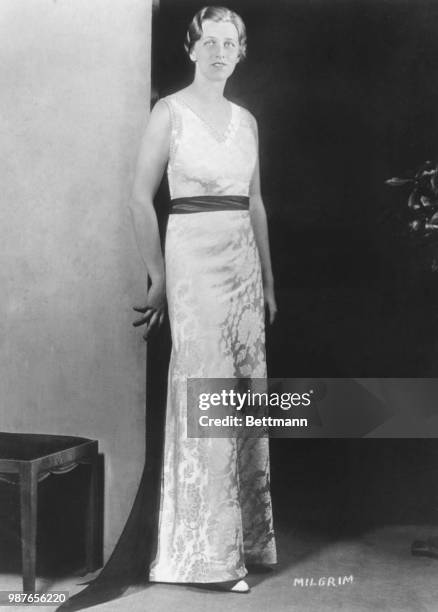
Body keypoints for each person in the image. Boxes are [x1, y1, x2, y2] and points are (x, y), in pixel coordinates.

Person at [129, 6, 277, 594]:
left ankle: (248, 542)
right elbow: (141, 198)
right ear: (191, 49)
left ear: (240, 53)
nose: (219, 52)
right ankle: (203, 556)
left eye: (230, 43)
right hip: (192, 261)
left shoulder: (247, 121)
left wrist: (267, 281)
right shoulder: (169, 112)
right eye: (209, 41)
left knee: (244, 392)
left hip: (242, 264)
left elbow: (256, 202)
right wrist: (158, 278)